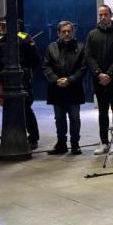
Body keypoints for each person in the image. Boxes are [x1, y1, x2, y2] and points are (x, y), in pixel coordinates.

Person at [85, 5, 113, 155]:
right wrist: (99, 73)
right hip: (99, 80)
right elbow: (89, 56)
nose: (103, 17)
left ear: (111, 15)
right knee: (102, 112)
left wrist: (109, 73)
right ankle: (103, 142)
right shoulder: (92, 34)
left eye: (106, 14)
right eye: (101, 15)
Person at [0, 17, 41, 149]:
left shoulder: (24, 39)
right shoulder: (1, 41)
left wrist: (26, 72)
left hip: (22, 79)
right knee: (8, 108)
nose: (3, 28)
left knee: (26, 108)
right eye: (2, 26)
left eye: (5, 25)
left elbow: (35, 60)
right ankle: (12, 135)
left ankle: (33, 138)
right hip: (6, 79)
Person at [43, 21, 86, 155]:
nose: (67, 34)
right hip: (57, 89)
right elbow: (46, 66)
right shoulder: (51, 47)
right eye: (64, 31)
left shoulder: (80, 47)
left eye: (69, 31)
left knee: (74, 118)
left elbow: (83, 68)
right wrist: (56, 80)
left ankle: (75, 144)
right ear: (58, 33)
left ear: (73, 32)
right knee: (59, 118)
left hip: (73, 88)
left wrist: (70, 80)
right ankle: (61, 144)